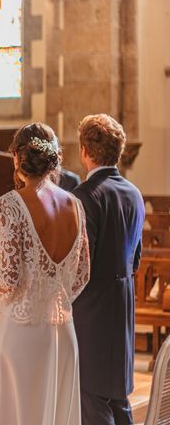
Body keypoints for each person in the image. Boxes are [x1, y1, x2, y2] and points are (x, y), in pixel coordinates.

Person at [0, 122, 90, 425]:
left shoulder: (10, 204)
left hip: (21, 333)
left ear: (16, 157)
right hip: (63, 331)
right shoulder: (74, 203)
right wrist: (52, 296)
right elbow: (83, 274)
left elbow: (8, 279)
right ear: (54, 158)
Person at [71, 114, 144, 425]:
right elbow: (136, 258)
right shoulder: (134, 193)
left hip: (92, 308)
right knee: (117, 396)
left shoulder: (85, 196)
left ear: (85, 151)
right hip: (123, 303)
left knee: (92, 398)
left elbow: (80, 265)